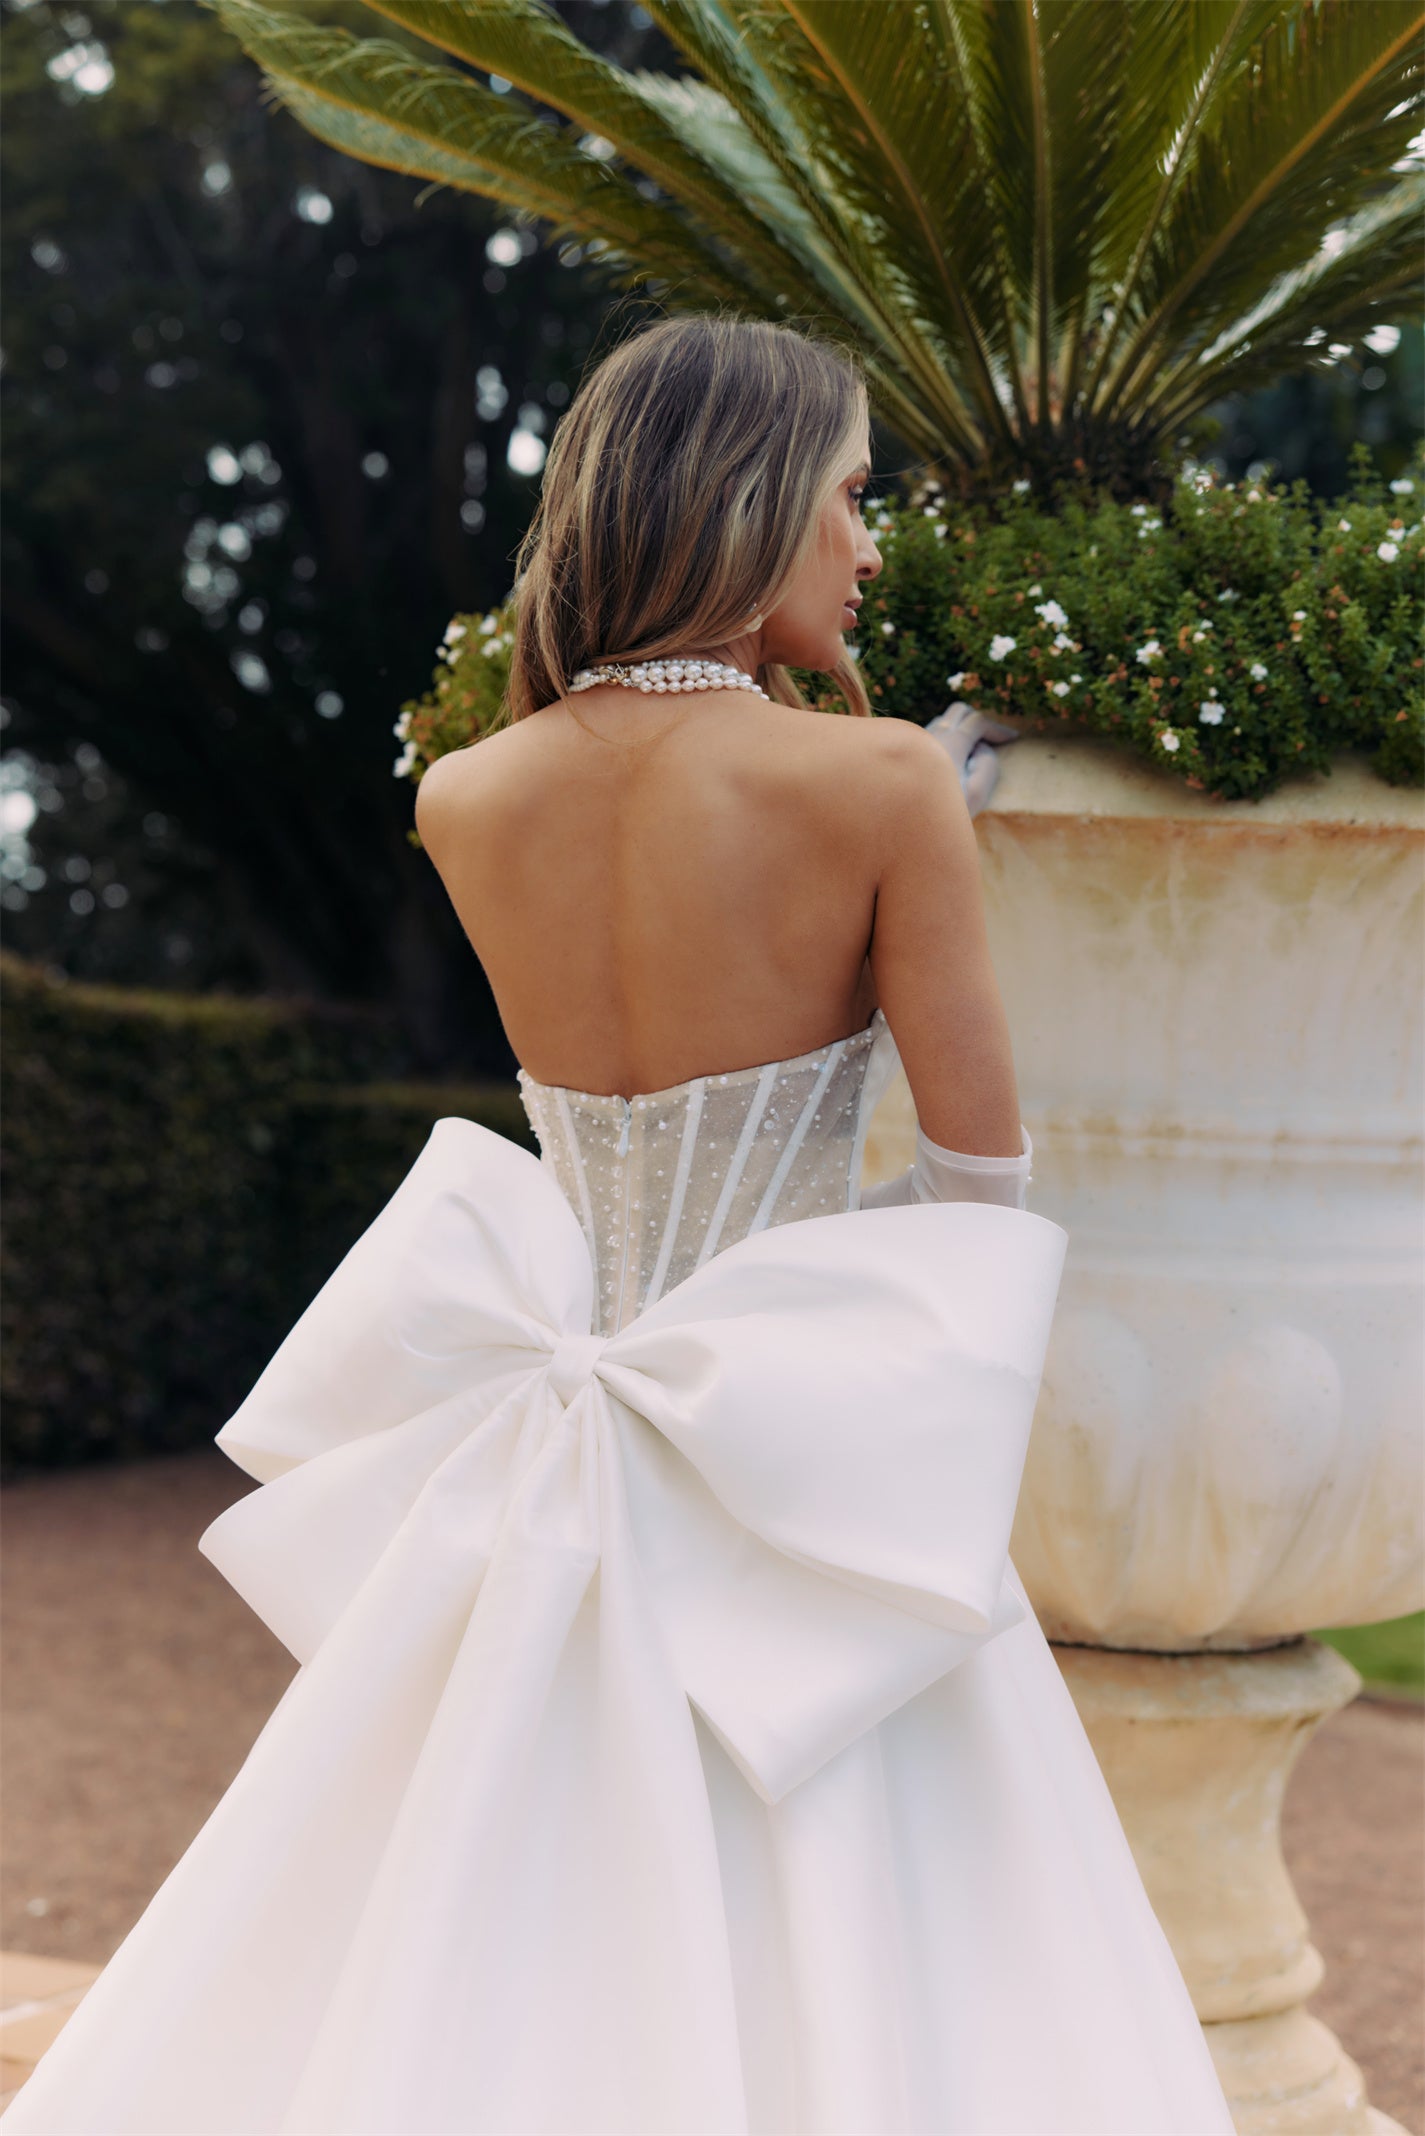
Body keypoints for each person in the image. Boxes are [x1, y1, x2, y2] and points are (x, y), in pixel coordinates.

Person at [2, 318, 1233, 2136]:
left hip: (552, 1448)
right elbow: (982, 1184)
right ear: (748, 501)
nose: (866, 547)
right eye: (848, 498)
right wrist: (837, 1331)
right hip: (777, 1464)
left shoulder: (466, 794)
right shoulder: (883, 781)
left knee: (479, 1914)